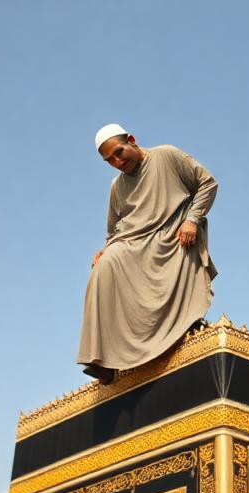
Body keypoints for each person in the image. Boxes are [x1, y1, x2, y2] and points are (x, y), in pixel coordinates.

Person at [78, 124, 219, 383]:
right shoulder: (117, 187)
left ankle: (185, 323)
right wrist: (106, 250)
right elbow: (114, 229)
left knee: (174, 246)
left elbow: (207, 183)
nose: (117, 162)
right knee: (104, 267)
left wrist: (192, 219)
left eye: (119, 153)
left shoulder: (166, 155)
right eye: (110, 160)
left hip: (172, 236)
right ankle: (103, 359)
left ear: (131, 140)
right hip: (134, 244)